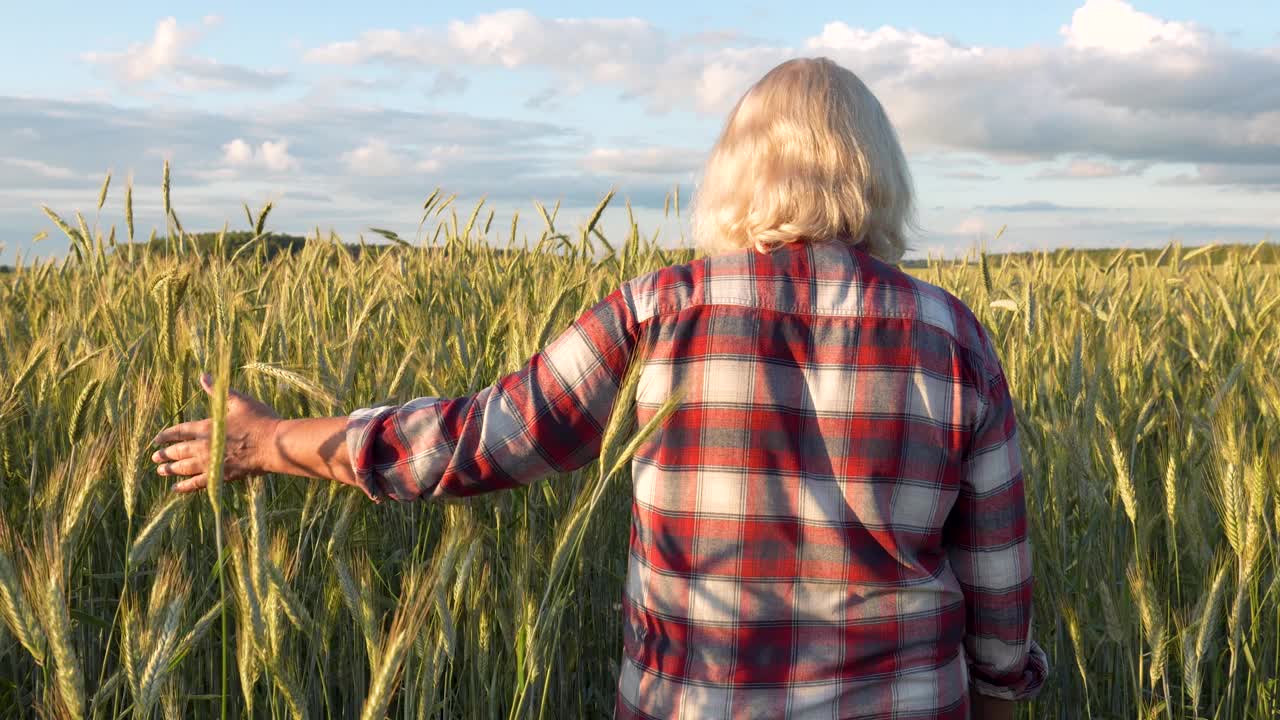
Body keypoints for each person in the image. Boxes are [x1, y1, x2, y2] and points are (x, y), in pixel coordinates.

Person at [151, 57, 1048, 720]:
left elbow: (478, 440)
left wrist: (274, 443)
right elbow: (999, 582)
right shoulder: (953, 334)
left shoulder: (659, 310)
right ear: (877, 171)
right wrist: (1001, 696)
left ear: (736, 171)